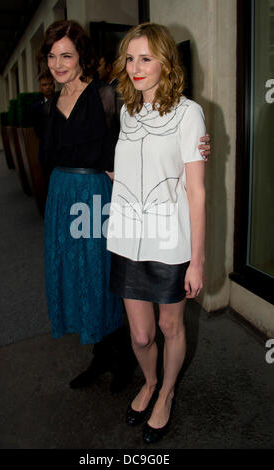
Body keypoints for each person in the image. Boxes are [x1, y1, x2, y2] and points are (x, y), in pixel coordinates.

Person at [107, 23, 207, 444]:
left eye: (146, 58)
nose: (136, 67)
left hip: (169, 241)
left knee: (169, 328)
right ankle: (148, 381)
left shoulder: (189, 113)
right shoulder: (127, 110)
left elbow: (198, 192)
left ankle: (165, 392)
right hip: (128, 236)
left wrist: (197, 261)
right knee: (141, 334)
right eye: (130, 58)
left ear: (166, 61)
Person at [37, 20, 136, 393]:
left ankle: (123, 358)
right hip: (62, 197)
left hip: (97, 195)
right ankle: (100, 355)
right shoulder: (46, 108)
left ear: (82, 57)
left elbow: (144, 129)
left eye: (67, 55)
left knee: (102, 275)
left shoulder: (107, 96)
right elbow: (48, 160)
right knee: (76, 276)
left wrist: (194, 142)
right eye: (52, 56)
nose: (58, 63)